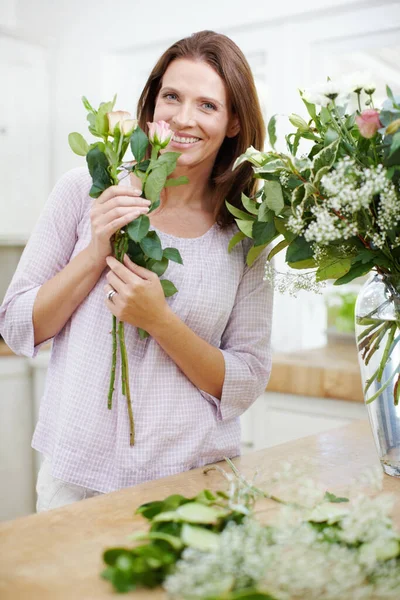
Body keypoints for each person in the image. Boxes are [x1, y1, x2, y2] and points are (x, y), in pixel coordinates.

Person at [0, 30, 273, 512]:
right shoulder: (85, 188)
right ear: (151, 107)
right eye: (172, 96)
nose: (183, 118)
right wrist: (94, 251)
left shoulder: (246, 232)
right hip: (77, 480)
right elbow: (19, 325)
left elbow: (246, 379)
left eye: (207, 105)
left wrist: (160, 321)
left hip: (195, 481)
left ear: (233, 123)